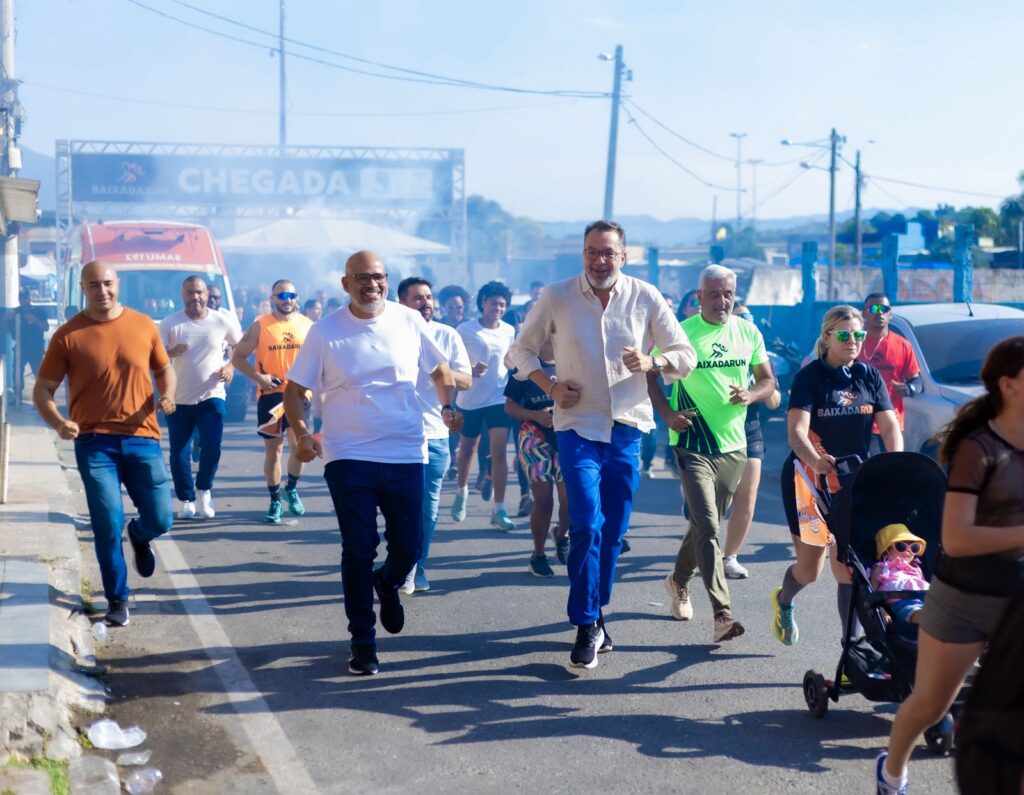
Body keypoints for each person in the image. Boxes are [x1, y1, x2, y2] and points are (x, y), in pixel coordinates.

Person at [510, 219, 696, 669]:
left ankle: (597, 612)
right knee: (586, 525)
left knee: (612, 533)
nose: (599, 260)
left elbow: (685, 355)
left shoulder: (645, 296)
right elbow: (520, 351)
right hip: (576, 426)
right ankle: (585, 623)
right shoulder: (557, 296)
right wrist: (549, 385)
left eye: (608, 253)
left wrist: (653, 361)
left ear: (623, 257)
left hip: (627, 428)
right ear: (583, 254)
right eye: (592, 252)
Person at [283, 251, 461, 676]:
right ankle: (362, 640)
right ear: (346, 284)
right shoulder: (325, 332)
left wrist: (448, 406)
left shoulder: (408, 320)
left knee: (410, 547)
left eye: (378, 277)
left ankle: (388, 581)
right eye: (361, 278)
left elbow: (440, 371)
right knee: (359, 547)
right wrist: (302, 435)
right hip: (348, 454)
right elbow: (294, 390)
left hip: (405, 450)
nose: (371, 285)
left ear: (387, 280)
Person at [877, 335, 1024, 795]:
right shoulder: (978, 449)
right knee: (931, 706)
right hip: (965, 600)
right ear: (1008, 385)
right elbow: (957, 540)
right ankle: (892, 772)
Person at [32, 261, 175, 627]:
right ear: (83, 288)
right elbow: (43, 389)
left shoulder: (144, 325)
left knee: (161, 518)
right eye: (93, 285)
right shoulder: (68, 335)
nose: (102, 291)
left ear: (118, 283)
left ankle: (139, 534)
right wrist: (58, 422)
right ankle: (117, 598)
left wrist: (168, 394)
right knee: (107, 523)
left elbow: (163, 369)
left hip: (143, 438)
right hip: (95, 445)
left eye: (108, 283)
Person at [650, 265, 774, 643]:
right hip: (692, 442)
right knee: (708, 525)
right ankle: (722, 614)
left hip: (734, 445)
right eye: (715, 294)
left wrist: (750, 394)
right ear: (700, 296)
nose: (722, 301)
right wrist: (667, 414)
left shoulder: (748, 332)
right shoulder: (681, 333)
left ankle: (677, 581)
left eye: (728, 294)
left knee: (705, 526)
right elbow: (650, 373)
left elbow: (768, 381)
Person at [771, 305, 903, 648]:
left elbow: (889, 426)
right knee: (810, 571)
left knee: (848, 568)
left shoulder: (868, 376)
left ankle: (851, 651)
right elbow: (796, 431)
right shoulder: (810, 377)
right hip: (808, 481)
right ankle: (784, 600)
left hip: (852, 481)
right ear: (827, 337)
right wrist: (815, 460)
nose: (853, 340)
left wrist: (896, 464)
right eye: (844, 334)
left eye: (858, 334)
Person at [396, 276, 472, 594]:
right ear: (402, 303)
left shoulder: (446, 334)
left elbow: (465, 380)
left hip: (434, 432)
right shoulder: (390, 334)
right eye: (417, 298)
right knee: (398, 507)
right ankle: (399, 560)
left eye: (428, 297)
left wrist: (437, 369)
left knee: (427, 507)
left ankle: (416, 566)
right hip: (394, 433)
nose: (425, 303)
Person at [231, 280, 313, 524]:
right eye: (282, 295)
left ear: (296, 297)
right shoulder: (260, 325)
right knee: (274, 450)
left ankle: (292, 488)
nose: (287, 300)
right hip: (272, 395)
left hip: (299, 394)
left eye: (291, 295)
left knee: (300, 447)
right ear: (272, 298)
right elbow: (237, 358)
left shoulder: (308, 325)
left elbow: (320, 359)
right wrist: (260, 378)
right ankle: (275, 499)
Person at [159, 276, 241, 520]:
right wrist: (170, 352)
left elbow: (240, 347)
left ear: (207, 294)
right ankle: (187, 499)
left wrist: (230, 367)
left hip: (212, 396)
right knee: (179, 455)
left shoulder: (221, 321)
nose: (195, 297)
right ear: (182, 295)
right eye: (190, 292)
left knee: (212, 447)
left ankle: (204, 490)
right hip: (179, 398)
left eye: (200, 292)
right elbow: (154, 356)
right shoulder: (170, 323)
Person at [722, 300, 782, 579]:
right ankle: (698, 549)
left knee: (746, 498)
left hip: (750, 430)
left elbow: (774, 401)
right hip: (717, 432)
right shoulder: (716, 352)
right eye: (740, 317)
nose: (746, 322)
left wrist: (758, 391)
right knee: (717, 502)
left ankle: (730, 557)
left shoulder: (758, 356)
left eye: (749, 317)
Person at [451, 281, 518, 530]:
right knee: (467, 449)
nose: (497, 308)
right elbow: (453, 360)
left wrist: (518, 369)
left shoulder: (508, 330)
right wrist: (470, 370)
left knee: (499, 453)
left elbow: (508, 358)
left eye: (502, 304)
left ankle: (499, 509)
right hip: (470, 399)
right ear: (483, 303)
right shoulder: (465, 329)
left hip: (499, 397)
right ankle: (461, 491)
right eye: (493, 304)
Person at [504, 339, 570, 577]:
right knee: (543, 501)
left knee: (571, 499)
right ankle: (538, 555)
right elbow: (509, 407)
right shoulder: (526, 366)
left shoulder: (572, 363)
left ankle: (561, 535)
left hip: (569, 435)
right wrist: (536, 415)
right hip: (534, 436)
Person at [857, 292, 921, 453]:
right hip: (858, 421)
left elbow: (916, 381)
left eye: (884, 309)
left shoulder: (903, 345)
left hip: (891, 421)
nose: (879, 312)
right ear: (864, 314)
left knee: (891, 466)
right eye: (874, 308)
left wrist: (908, 389)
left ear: (890, 314)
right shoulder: (854, 342)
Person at [868, 523, 928, 636]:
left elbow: (925, 586)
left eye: (914, 547)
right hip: (902, 602)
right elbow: (872, 592)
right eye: (901, 546)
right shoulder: (882, 567)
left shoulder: (916, 568)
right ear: (886, 550)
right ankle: (935, 620)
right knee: (922, 614)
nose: (908, 550)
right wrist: (880, 610)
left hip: (925, 599)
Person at [6, 287, 49, 396]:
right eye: (20, 298)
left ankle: (42, 396)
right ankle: (18, 395)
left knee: (39, 373)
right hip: (21, 347)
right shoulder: (16, 312)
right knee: (17, 372)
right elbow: (6, 330)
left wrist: (34, 320)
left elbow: (46, 327)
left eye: (24, 298)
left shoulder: (38, 311)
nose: (22, 300)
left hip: (35, 348)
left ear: (29, 299)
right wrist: (7, 319)